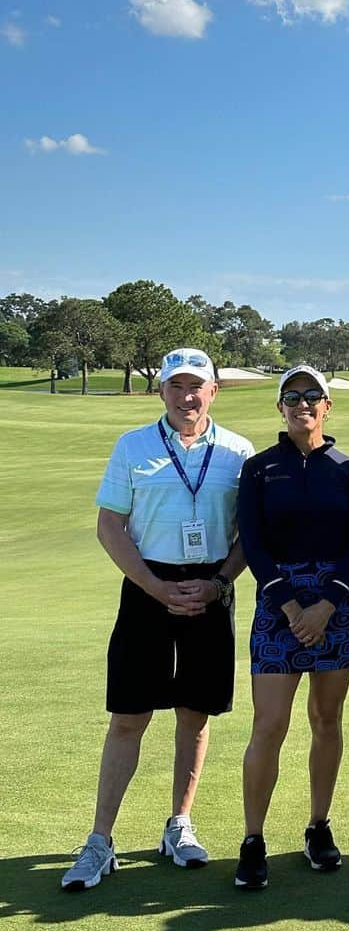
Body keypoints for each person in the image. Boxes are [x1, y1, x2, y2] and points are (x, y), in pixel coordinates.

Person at [62, 348, 253, 891]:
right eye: (176, 386)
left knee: (195, 713)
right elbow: (111, 527)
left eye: (197, 386)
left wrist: (219, 583)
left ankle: (179, 823)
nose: (186, 396)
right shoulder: (134, 446)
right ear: (161, 392)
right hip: (148, 589)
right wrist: (156, 586)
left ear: (214, 391)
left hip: (212, 588)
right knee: (129, 715)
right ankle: (100, 840)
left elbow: (249, 535)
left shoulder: (239, 452)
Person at [233, 367, 349, 890]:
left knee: (326, 720)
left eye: (313, 397)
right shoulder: (260, 469)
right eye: (292, 397)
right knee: (268, 725)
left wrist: (325, 606)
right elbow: (256, 541)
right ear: (280, 408)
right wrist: (291, 608)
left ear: (327, 406)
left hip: (335, 604)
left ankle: (317, 826)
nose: (303, 404)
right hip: (278, 603)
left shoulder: (348, 469)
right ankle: (253, 839)